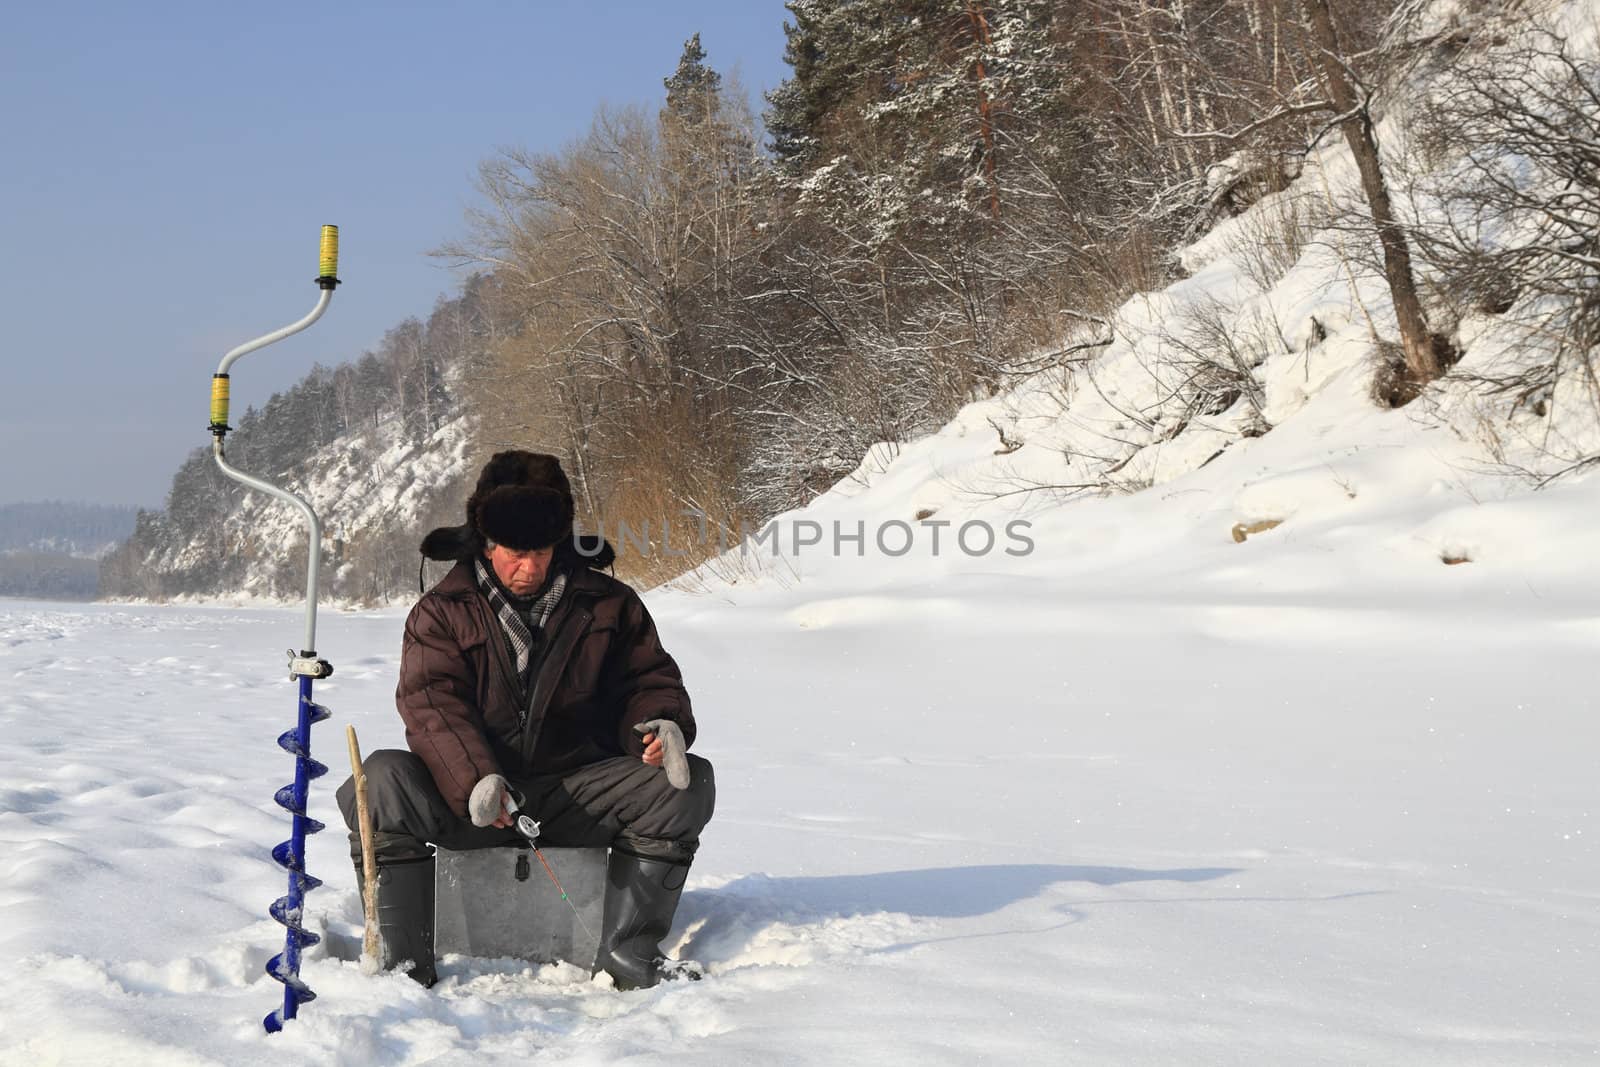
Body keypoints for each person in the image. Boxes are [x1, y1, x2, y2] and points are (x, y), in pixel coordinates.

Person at [336, 450, 714, 990]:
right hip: (468, 800)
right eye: (515, 552)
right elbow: (431, 705)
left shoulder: (611, 604)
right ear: (486, 544)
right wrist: (476, 781)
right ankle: (404, 969)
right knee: (379, 781)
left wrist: (662, 726)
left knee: (688, 782)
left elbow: (648, 679)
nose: (529, 567)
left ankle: (630, 959)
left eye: (540, 551)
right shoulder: (440, 612)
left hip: (575, 793)